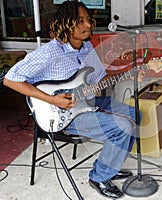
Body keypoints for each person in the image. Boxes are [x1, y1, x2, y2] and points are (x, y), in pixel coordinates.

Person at [3, 1, 143, 199]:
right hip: (64, 115)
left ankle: (111, 165)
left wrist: (127, 75)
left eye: (88, 20)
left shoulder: (86, 48)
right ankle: (100, 177)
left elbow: (98, 81)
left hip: (87, 102)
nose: (87, 25)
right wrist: (52, 100)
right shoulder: (49, 52)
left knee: (135, 115)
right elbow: (10, 79)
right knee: (122, 127)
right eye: (80, 21)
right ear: (65, 23)